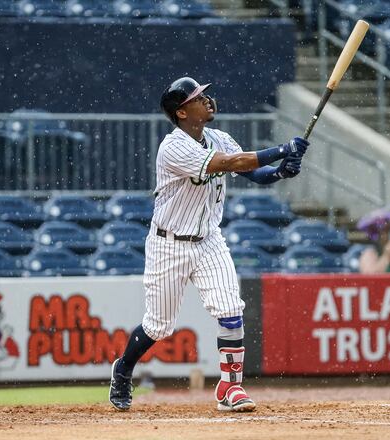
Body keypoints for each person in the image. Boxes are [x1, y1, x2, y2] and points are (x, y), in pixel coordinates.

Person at [109, 77, 309, 413]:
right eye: (199, 98)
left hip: (208, 241)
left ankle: (230, 388)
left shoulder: (218, 137)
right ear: (183, 112)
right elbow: (229, 163)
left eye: (206, 95)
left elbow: (254, 173)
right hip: (168, 244)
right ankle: (124, 369)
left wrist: (281, 172)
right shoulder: (172, 147)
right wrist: (281, 150)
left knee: (230, 309)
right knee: (158, 326)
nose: (209, 100)